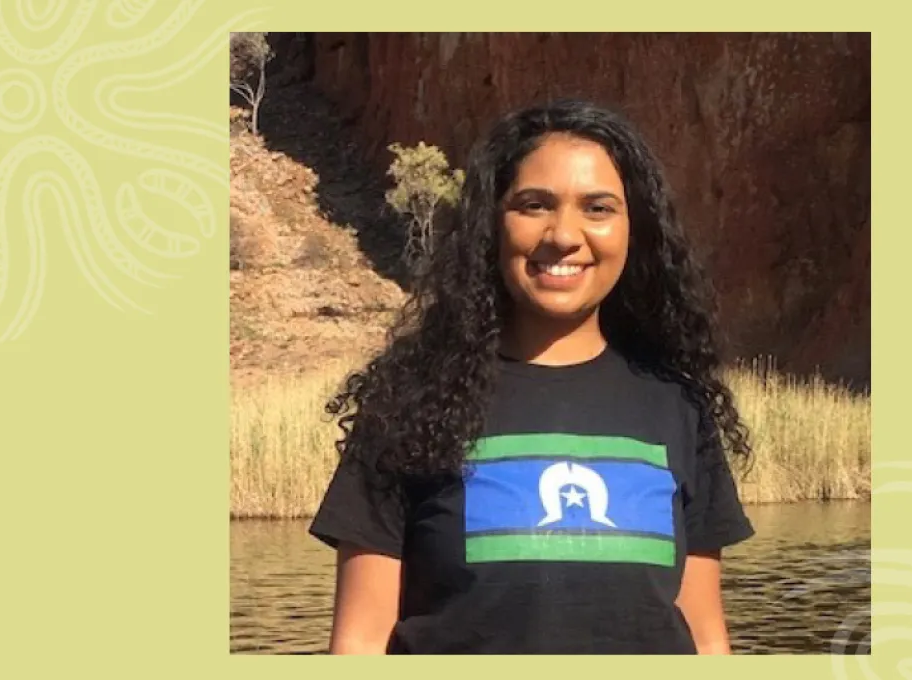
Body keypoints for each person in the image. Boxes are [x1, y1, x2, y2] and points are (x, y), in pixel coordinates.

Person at [309, 99, 756, 655]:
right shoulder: (409, 402)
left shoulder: (678, 407)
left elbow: (706, 637)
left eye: (598, 208)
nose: (563, 235)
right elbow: (359, 642)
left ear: (633, 231)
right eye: (534, 204)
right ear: (491, 226)